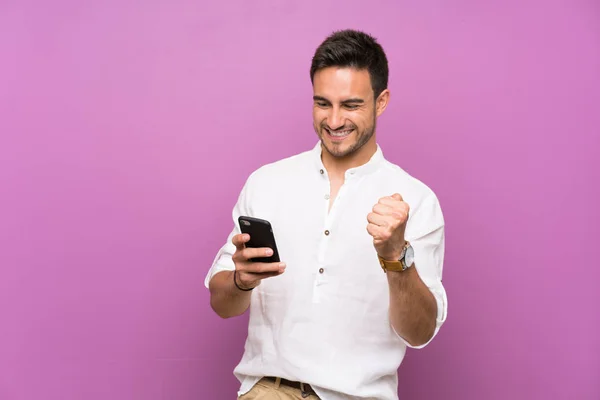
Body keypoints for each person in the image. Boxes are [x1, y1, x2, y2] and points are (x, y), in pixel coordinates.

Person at [205, 29, 448, 400]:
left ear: (381, 102)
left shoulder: (417, 200)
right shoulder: (267, 182)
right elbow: (222, 305)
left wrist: (397, 258)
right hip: (270, 390)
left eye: (351, 105)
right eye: (323, 103)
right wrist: (241, 280)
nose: (334, 121)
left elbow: (419, 332)